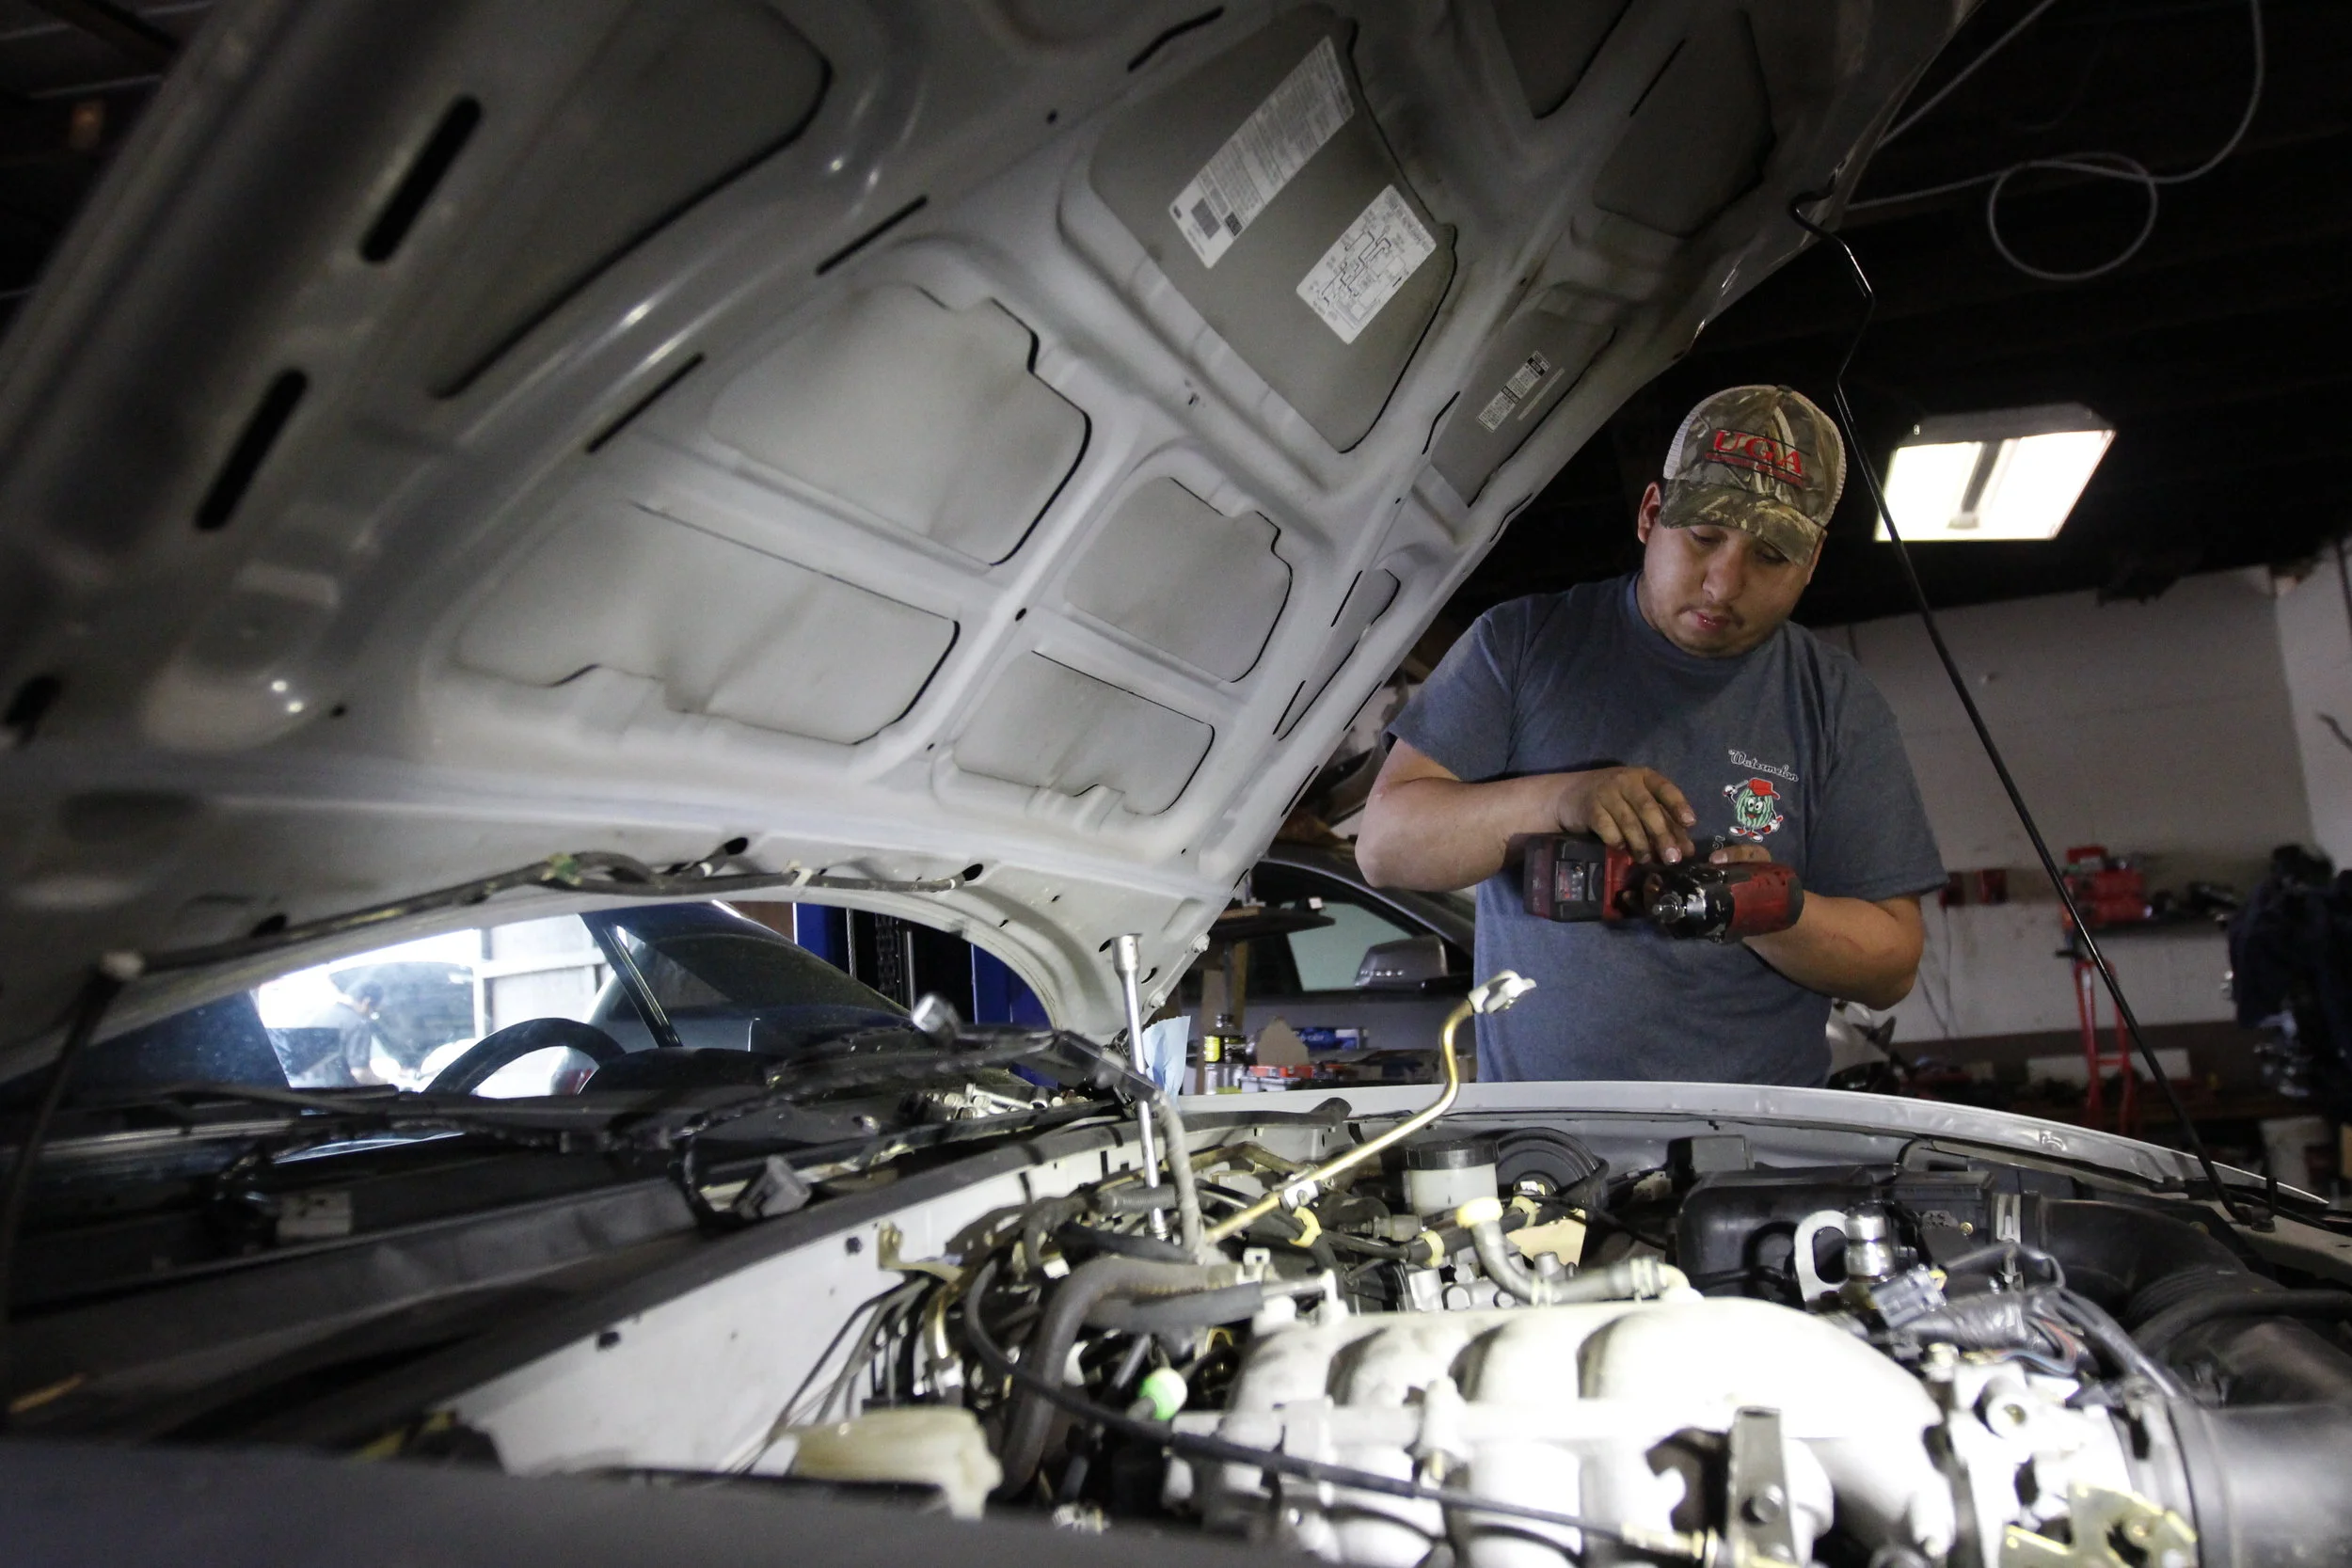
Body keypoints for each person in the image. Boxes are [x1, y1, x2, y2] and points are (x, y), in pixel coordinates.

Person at [1356, 386, 1945, 1085]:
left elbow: (1893, 964)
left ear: (1812, 562)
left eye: (1770, 556)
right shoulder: (1521, 647)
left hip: (1757, 1153)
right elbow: (1385, 848)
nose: (1724, 583)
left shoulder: (1838, 703)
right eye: (1703, 537)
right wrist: (1563, 800)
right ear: (1651, 514)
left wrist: (1762, 909)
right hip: (1540, 1141)